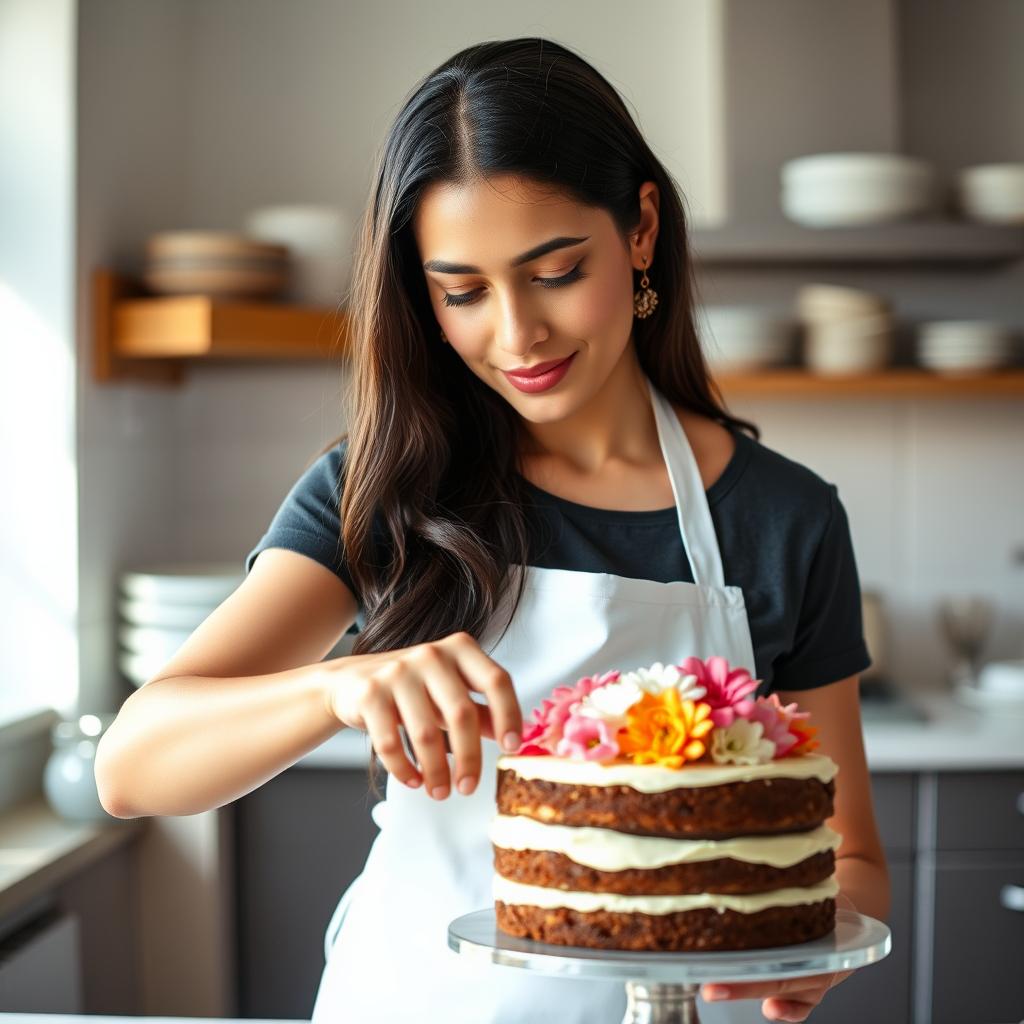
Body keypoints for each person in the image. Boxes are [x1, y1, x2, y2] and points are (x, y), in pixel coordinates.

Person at [95, 37, 891, 1024]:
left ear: (640, 227)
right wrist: (336, 683)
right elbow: (132, 767)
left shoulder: (784, 518)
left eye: (555, 270)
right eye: (461, 291)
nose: (515, 336)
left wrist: (819, 939)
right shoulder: (384, 488)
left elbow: (849, 857)